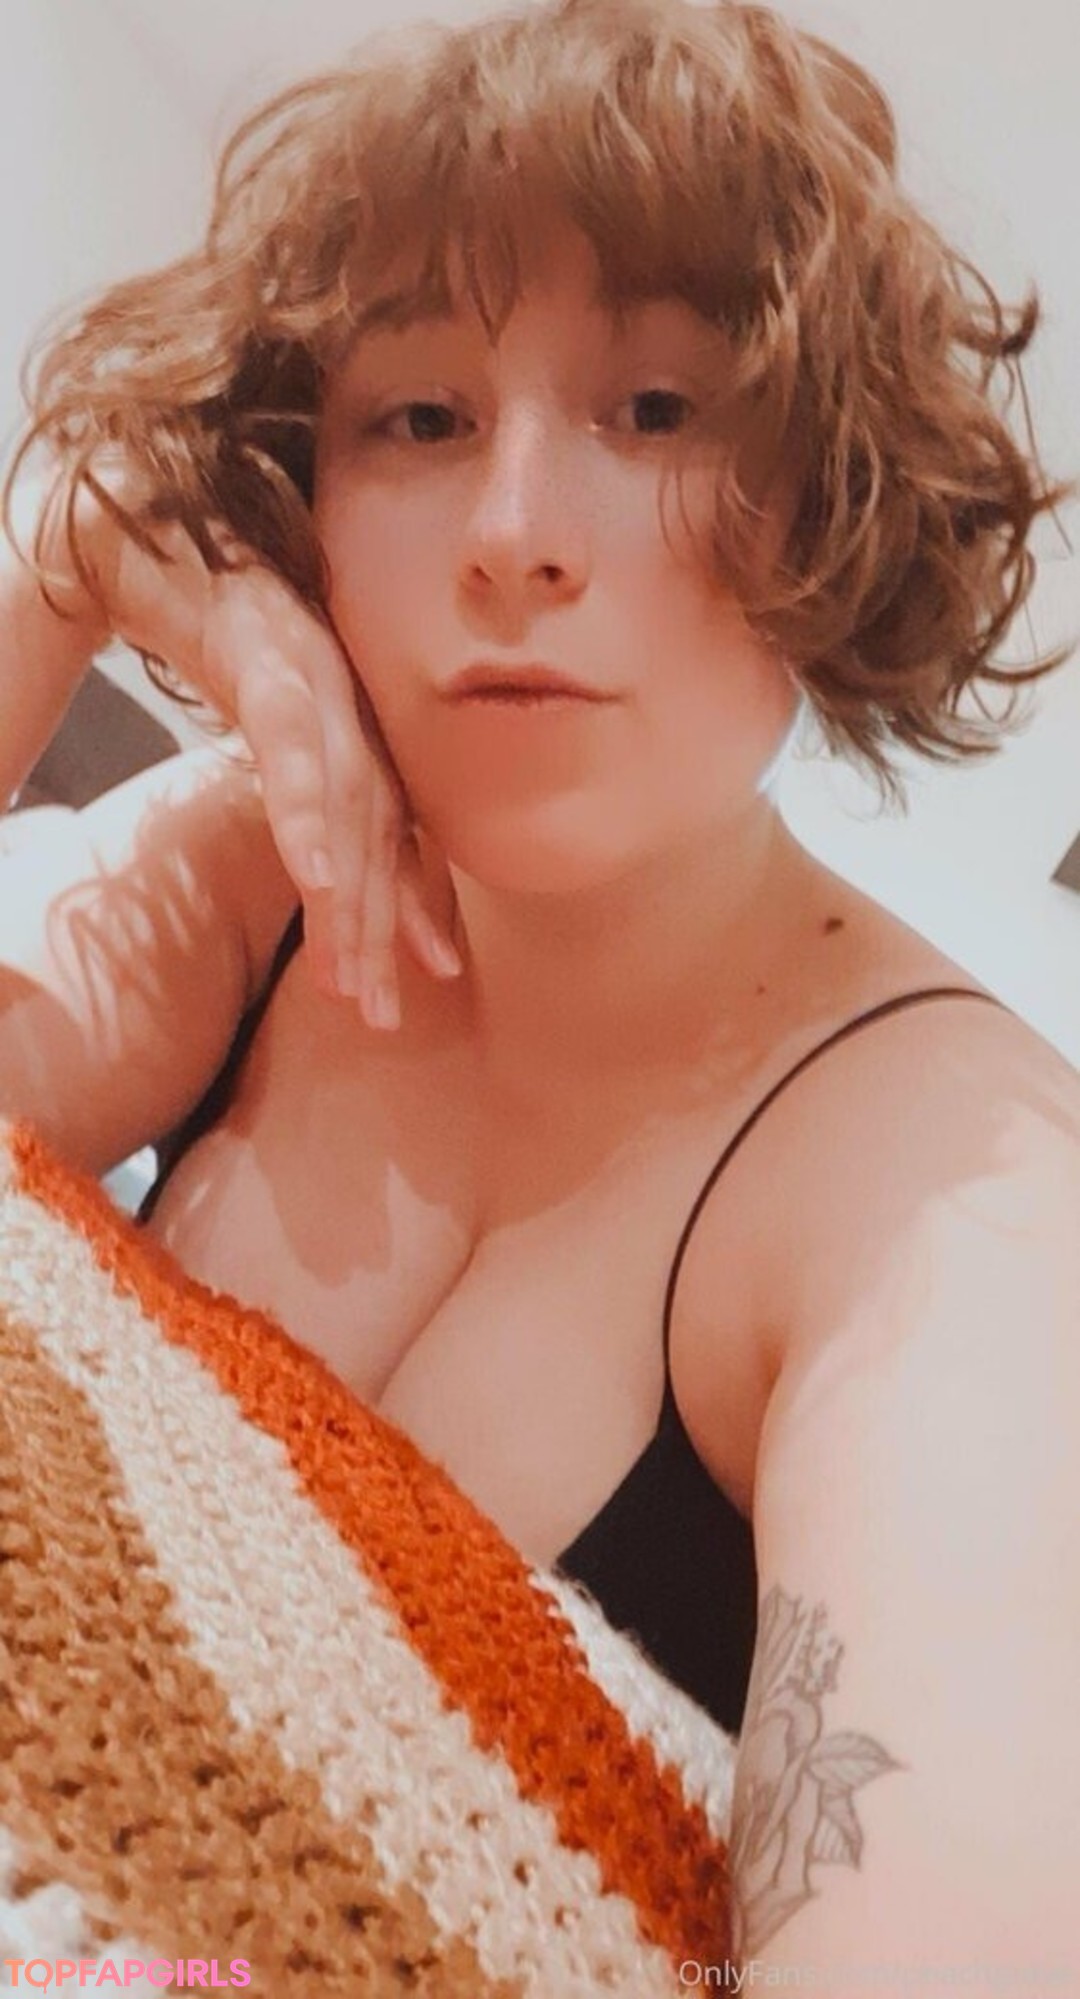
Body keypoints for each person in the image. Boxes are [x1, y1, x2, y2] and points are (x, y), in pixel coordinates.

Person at [2, 0, 1078, 1971]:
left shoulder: (961, 1185)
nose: (514, 540)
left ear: (838, 500)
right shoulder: (264, 861)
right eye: (419, 419)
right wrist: (58, 572)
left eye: (658, 410)